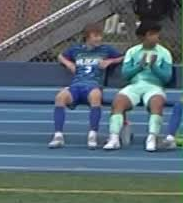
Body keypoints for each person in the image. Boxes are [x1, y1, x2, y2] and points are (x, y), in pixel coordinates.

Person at [105, 22, 174, 151]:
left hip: (154, 86)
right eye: (152, 34)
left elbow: (166, 78)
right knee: (118, 102)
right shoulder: (132, 51)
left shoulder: (164, 53)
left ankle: (152, 137)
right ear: (143, 37)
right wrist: (139, 67)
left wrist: (154, 67)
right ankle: (114, 137)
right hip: (135, 86)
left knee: (157, 103)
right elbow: (125, 74)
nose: (156, 37)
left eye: (156, 34)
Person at [49, 24, 121, 149]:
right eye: (95, 36)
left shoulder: (106, 50)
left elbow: (123, 56)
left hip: (93, 85)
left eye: (100, 36)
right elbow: (60, 56)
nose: (99, 39)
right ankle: (58, 135)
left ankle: (92, 134)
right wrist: (68, 64)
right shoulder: (76, 50)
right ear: (87, 37)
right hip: (76, 85)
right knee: (60, 97)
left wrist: (110, 61)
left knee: (96, 96)